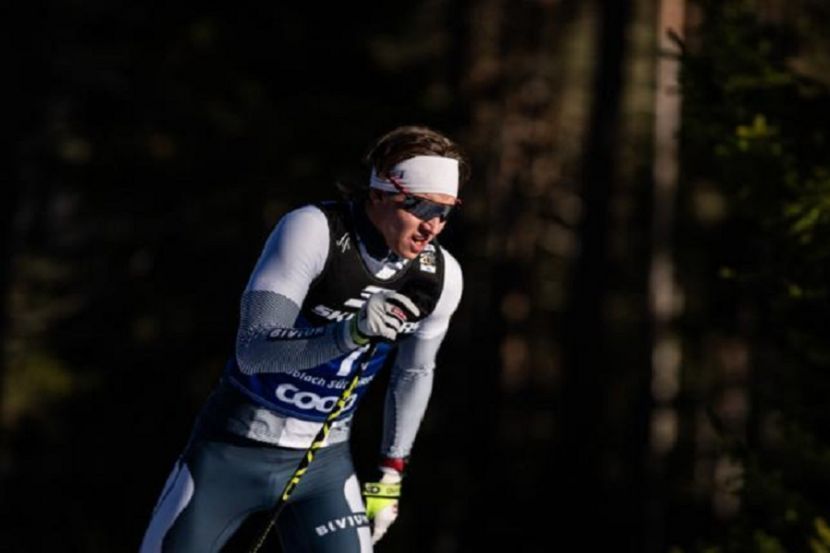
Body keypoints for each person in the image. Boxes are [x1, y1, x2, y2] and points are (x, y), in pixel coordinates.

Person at [140, 125, 467, 552]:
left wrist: (391, 474)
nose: (433, 226)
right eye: (421, 206)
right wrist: (348, 333)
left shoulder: (440, 277)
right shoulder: (313, 230)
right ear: (379, 192)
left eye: (446, 212)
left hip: (322, 468)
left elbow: (416, 371)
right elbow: (253, 349)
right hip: (230, 452)